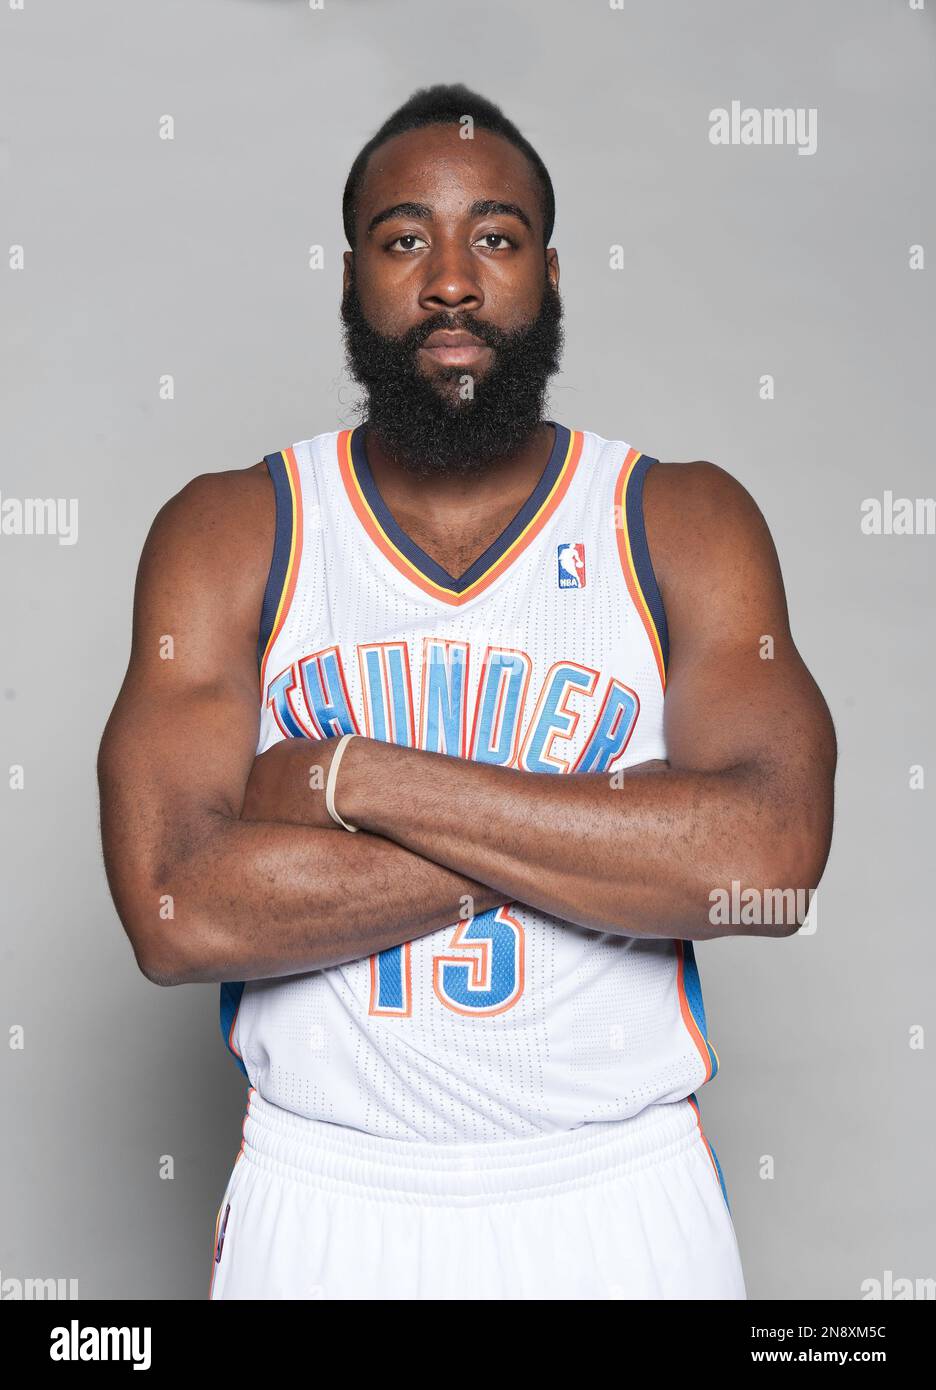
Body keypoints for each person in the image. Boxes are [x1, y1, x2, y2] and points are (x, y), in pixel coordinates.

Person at [97, 83, 836, 1300]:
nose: (451, 280)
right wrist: (612, 830)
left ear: (550, 276)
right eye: (405, 240)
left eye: (494, 237)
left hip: (617, 1192)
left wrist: (355, 780)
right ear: (349, 278)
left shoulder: (681, 519)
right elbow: (176, 909)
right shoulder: (233, 531)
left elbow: (766, 866)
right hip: (326, 1196)